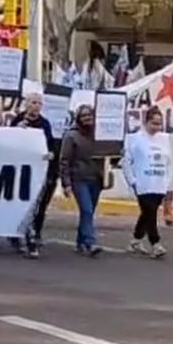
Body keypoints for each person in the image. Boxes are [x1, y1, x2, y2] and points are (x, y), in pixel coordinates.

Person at [122, 107, 173, 258]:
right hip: (142, 183)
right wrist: (132, 181)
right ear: (146, 122)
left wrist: (168, 181)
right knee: (150, 212)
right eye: (153, 123)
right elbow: (126, 161)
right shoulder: (134, 139)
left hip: (159, 182)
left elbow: (169, 161)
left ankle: (136, 240)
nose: (156, 127)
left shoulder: (164, 139)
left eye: (159, 124)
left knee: (147, 213)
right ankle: (155, 243)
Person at [11, 94, 57, 258]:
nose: (36, 106)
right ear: (26, 104)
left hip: (37, 171)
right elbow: (8, 142)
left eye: (39, 103)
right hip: (20, 170)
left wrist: (50, 154)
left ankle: (31, 237)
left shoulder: (44, 124)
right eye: (33, 102)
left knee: (34, 206)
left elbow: (50, 144)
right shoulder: (17, 121)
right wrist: (18, 130)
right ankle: (19, 236)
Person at [60, 104, 104, 257]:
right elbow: (64, 161)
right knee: (87, 210)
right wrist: (66, 184)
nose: (87, 118)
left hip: (96, 179)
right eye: (84, 116)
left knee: (88, 213)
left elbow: (109, 153)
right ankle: (90, 242)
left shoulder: (100, 135)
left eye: (90, 115)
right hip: (79, 179)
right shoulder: (71, 136)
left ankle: (80, 242)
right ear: (78, 118)